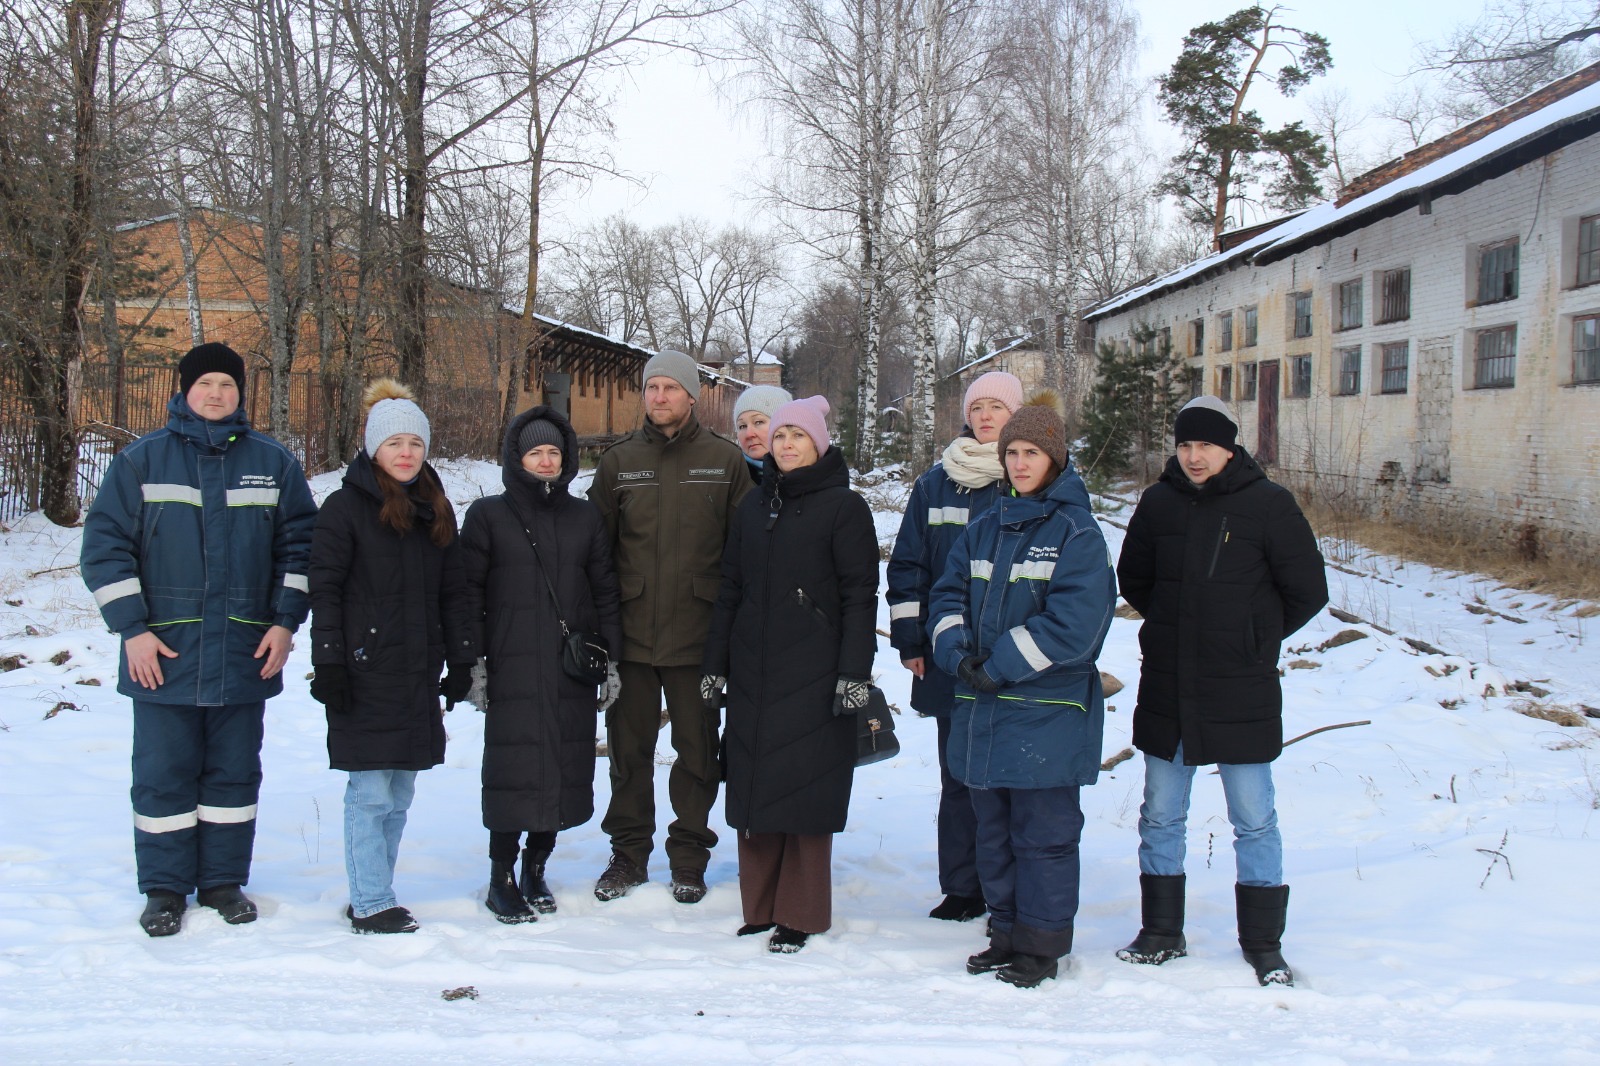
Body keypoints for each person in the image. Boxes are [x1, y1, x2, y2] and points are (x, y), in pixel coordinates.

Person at [81, 341, 318, 937]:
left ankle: (221, 882)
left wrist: (285, 622)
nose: (216, 394)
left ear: (241, 394)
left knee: (233, 776)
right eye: (206, 383)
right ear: (184, 390)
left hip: (245, 651)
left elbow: (301, 550)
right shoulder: (141, 461)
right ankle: (164, 889)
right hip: (163, 655)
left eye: (228, 385)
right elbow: (105, 550)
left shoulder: (273, 463)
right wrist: (132, 630)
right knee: (163, 774)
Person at [1114, 395, 1328, 986]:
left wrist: (1252, 638)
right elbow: (1134, 577)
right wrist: (1174, 627)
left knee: (1253, 817)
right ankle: (1161, 931)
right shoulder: (1158, 503)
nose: (1194, 456)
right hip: (1169, 683)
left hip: (1240, 686)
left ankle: (1263, 943)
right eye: (1185, 445)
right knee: (1161, 814)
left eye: (1205, 444)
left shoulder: (1269, 504)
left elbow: (1308, 589)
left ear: (1230, 448)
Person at [928, 397, 1117, 988]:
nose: (1019, 463)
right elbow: (945, 597)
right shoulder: (983, 527)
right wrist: (957, 655)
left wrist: (1001, 665)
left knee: (1044, 838)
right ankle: (1005, 933)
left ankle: (1041, 945)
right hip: (984, 711)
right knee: (994, 834)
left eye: (1031, 452)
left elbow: (1074, 626)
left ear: (1054, 459)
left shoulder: (1077, 533)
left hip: (1046, 714)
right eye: (1012, 452)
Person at [701, 396, 879, 953]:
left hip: (816, 670)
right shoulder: (754, 507)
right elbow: (730, 590)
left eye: (796, 436)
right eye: (779, 437)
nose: (785, 445)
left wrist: (854, 672)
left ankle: (801, 913)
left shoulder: (844, 508)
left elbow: (860, 596)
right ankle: (760, 907)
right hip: (753, 670)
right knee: (754, 785)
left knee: (805, 787)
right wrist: (715, 665)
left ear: (818, 443)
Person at [306, 379, 476, 934]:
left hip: (417, 672)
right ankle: (371, 901)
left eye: (416, 443)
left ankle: (376, 890)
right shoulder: (344, 508)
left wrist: (461, 660)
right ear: (373, 448)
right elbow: (325, 590)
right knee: (371, 791)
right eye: (394, 443)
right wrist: (330, 663)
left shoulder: (434, 509)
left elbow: (454, 592)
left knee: (399, 792)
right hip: (364, 671)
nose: (406, 453)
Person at [587, 350, 751, 903]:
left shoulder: (724, 461)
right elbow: (597, 552)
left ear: (691, 396)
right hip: (631, 637)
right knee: (628, 754)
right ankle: (628, 855)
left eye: (670, 388)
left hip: (698, 638)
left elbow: (745, 554)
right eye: (651, 387)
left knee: (698, 754)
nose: (659, 397)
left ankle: (688, 857)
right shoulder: (619, 462)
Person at [459, 405, 622, 923]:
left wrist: (611, 660)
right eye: (536, 452)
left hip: (570, 668)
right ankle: (501, 878)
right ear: (517, 458)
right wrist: (472, 662)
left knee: (560, 768)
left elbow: (605, 591)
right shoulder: (488, 516)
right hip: (511, 666)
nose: (546, 460)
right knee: (512, 772)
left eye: (554, 451)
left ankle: (536, 867)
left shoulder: (584, 517)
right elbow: (466, 594)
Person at [886, 370, 1022, 922]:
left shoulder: (1029, 475)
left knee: (1012, 777)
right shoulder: (936, 484)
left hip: (1015, 657)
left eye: (997, 407)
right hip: (949, 652)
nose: (985, 416)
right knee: (959, 772)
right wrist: (909, 638)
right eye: (977, 407)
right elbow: (909, 564)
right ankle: (964, 888)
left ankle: (1013, 889)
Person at [731, 385, 792, 483]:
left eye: (758, 422)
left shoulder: (812, 477)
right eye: (742, 426)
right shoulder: (729, 477)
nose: (749, 434)